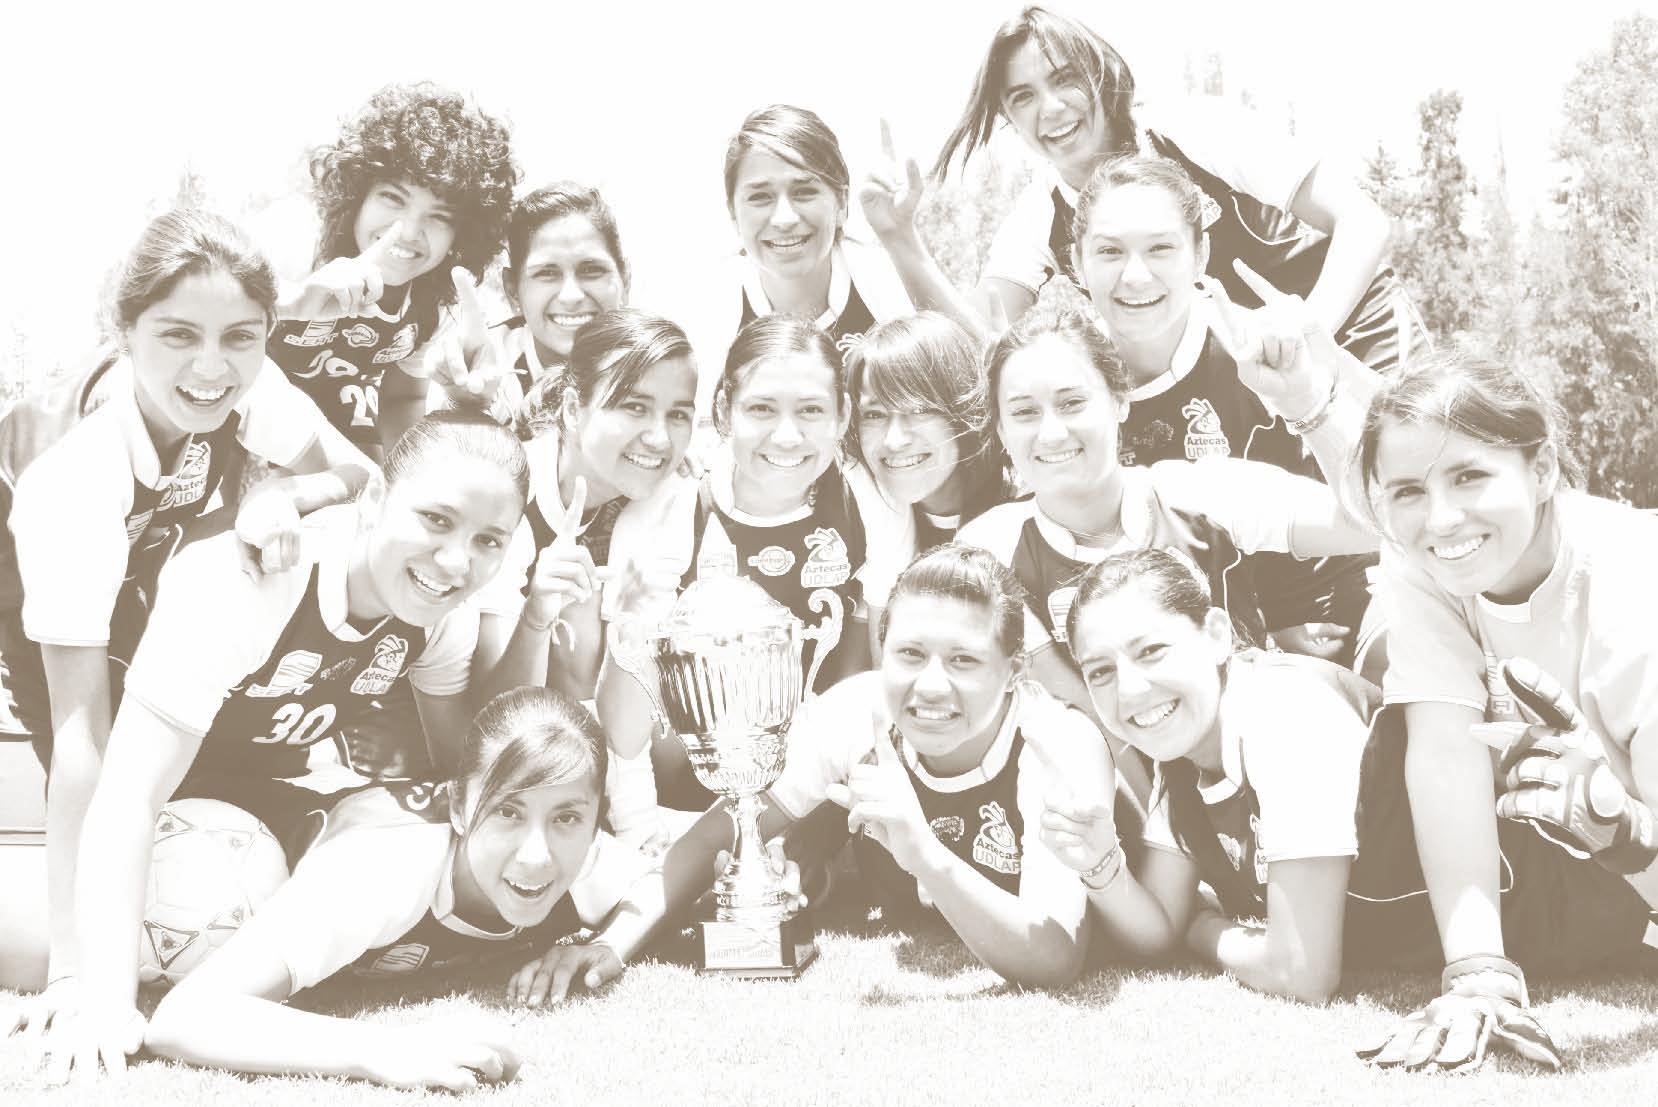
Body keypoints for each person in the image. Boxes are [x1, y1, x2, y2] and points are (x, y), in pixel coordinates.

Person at [36, 413, 563, 1082]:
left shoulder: (440, 620)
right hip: (99, 797)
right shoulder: (249, 579)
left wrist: (537, 620)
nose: (457, 561)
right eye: (436, 520)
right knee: (43, 938)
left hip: (242, 806)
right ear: (376, 497)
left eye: (488, 540)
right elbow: (126, 791)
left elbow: (462, 770)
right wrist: (100, 995)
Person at [0, 209, 370, 1009]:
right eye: (177, 335)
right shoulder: (72, 477)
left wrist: (278, 491)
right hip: (33, 603)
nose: (211, 365)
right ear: (122, 330)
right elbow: (80, 733)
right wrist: (74, 975)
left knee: (170, 799)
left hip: (141, 580)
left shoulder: (250, 381)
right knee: (103, 803)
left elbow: (354, 475)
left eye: (241, 336)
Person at [1353, 352, 1658, 1073]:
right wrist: (1479, 973)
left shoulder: (1633, 588)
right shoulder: (1421, 564)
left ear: (1542, 468)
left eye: (1469, 475)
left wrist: (1626, 835)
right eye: (1408, 491)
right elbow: (1444, 751)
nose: (1441, 519)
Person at [139, 687, 659, 1092]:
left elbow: (685, 859)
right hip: (202, 841)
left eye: (567, 817)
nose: (536, 855)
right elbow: (184, 1018)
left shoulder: (584, 856)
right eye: (508, 812)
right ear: (459, 808)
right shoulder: (383, 869)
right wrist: (383, 1049)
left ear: (595, 820)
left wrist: (608, 946)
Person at [640, 545, 1113, 987]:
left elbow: (1055, 955)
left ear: (1013, 672)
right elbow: (712, 839)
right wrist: (611, 947)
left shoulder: (1054, 741)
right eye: (910, 654)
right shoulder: (857, 712)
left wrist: (923, 855)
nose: (931, 686)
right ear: (882, 652)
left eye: (964, 660)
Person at [955, 303, 1377, 798]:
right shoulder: (988, 551)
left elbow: (1369, 525)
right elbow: (1083, 719)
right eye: (1025, 412)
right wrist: (1161, 828)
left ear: (1120, 401)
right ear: (1001, 432)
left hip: (1277, 756)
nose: (1051, 432)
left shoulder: (1195, 491)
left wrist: (1310, 403)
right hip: (1140, 801)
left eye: (1072, 403)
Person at [913, 5, 1419, 372]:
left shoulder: (1194, 129)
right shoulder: (1037, 216)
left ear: (1099, 73)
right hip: (1250, 382)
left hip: (1356, 334)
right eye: (1023, 97)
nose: (1051, 108)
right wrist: (901, 240)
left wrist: (1309, 329)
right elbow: (983, 338)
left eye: (1064, 79)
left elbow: (1363, 221)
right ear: (1007, 117)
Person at [1045, 548, 1414, 1002]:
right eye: (1101, 671)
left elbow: (1300, 974)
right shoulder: (1184, 747)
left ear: (1217, 635)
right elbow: (1158, 928)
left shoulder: (1288, 715)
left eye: (1152, 651)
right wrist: (1099, 864)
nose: (1130, 690)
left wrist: (1204, 929)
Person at [1068, 153, 1381, 672]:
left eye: (1161, 248)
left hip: (1329, 605)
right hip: (1183, 643)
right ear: (1077, 263)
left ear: (1201, 254)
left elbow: (1392, 491)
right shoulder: (1064, 385)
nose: (1136, 275)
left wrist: (1309, 398)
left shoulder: (1265, 344)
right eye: (1109, 251)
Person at [597, 314, 902, 819]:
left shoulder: (870, 503)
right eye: (761, 408)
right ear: (723, 409)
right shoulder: (666, 511)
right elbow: (624, 733)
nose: (787, 436)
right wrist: (638, 830)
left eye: (810, 410)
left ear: (844, 414)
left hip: (820, 799)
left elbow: (883, 685)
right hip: (679, 803)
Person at [266, 82, 518, 455]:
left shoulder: (439, 302)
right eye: (392, 198)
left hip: (338, 411)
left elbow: (402, 398)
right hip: (234, 396)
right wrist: (291, 301)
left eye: (439, 217)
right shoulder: (295, 238)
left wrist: (403, 477)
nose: (409, 231)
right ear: (356, 194)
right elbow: (203, 315)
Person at [688, 104, 912, 415]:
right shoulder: (706, 318)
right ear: (733, 214)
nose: (784, 218)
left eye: (804, 191)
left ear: (842, 202)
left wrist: (902, 239)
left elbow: (965, 383)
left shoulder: (883, 285)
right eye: (760, 196)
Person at [844, 312, 1014, 651]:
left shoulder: (1021, 507)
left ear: (963, 409)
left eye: (919, 410)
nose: (894, 440)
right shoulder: (859, 516)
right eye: (874, 415)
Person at [426, 181, 633, 431]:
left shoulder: (658, 364)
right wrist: (469, 406)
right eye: (547, 273)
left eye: (592, 270)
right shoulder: (481, 366)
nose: (571, 296)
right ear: (513, 292)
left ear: (625, 280)